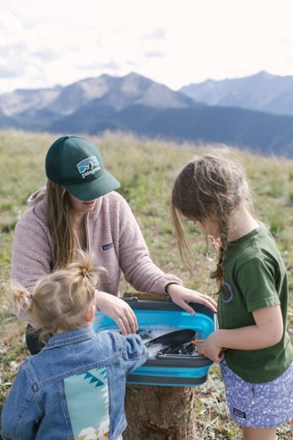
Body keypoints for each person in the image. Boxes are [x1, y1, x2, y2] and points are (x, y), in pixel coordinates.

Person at [11, 135, 217, 354]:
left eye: (96, 185)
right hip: (53, 335)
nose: (94, 196)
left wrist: (170, 287)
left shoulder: (113, 205)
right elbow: (27, 298)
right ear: (60, 188)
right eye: (83, 190)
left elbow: (137, 263)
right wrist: (93, 297)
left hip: (103, 327)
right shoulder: (34, 224)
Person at [170, 150, 293, 440]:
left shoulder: (251, 260)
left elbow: (271, 331)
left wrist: (221, 338)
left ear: (216, 209)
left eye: (198, 221)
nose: (199, 229)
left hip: (260, 375)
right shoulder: (243, 241)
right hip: (252, 369)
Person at [2, 252, 147, 440]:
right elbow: (139, 350)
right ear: (91, 313)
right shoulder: (114, 346)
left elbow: (13, 428)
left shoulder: (34, 372)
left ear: (42, 322)